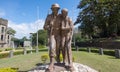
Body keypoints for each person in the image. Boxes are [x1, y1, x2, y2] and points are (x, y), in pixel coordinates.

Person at [43, 3, 60, 72]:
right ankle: (52, 63)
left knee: (59, 47)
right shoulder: (49, 17)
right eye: (54, 9)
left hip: (59, 35)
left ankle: (58, 59)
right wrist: (49, 26)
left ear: (58, 9)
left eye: (57, 9)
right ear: (52, 9)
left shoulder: (61, 16)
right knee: (52, 47)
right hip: (52, 34)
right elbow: (44, 27)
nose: (55, 10)